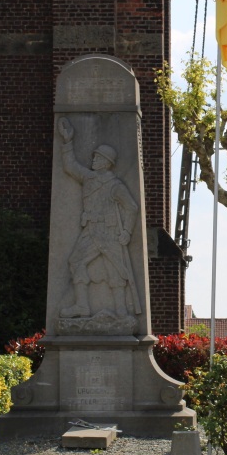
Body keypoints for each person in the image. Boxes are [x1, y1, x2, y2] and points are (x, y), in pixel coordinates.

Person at [57, 117, 140, 319]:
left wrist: (127, 232)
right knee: (76, 261)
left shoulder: (115, 185)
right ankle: (82, 307)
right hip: (90, 230)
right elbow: (70, 166)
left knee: (116, 269)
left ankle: (121, 310)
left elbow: (132, 207)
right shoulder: (88, 178)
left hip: (109, 231)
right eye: (94, 157)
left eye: (97, 158)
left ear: (106, 163)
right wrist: (68, 141)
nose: (93, 160)